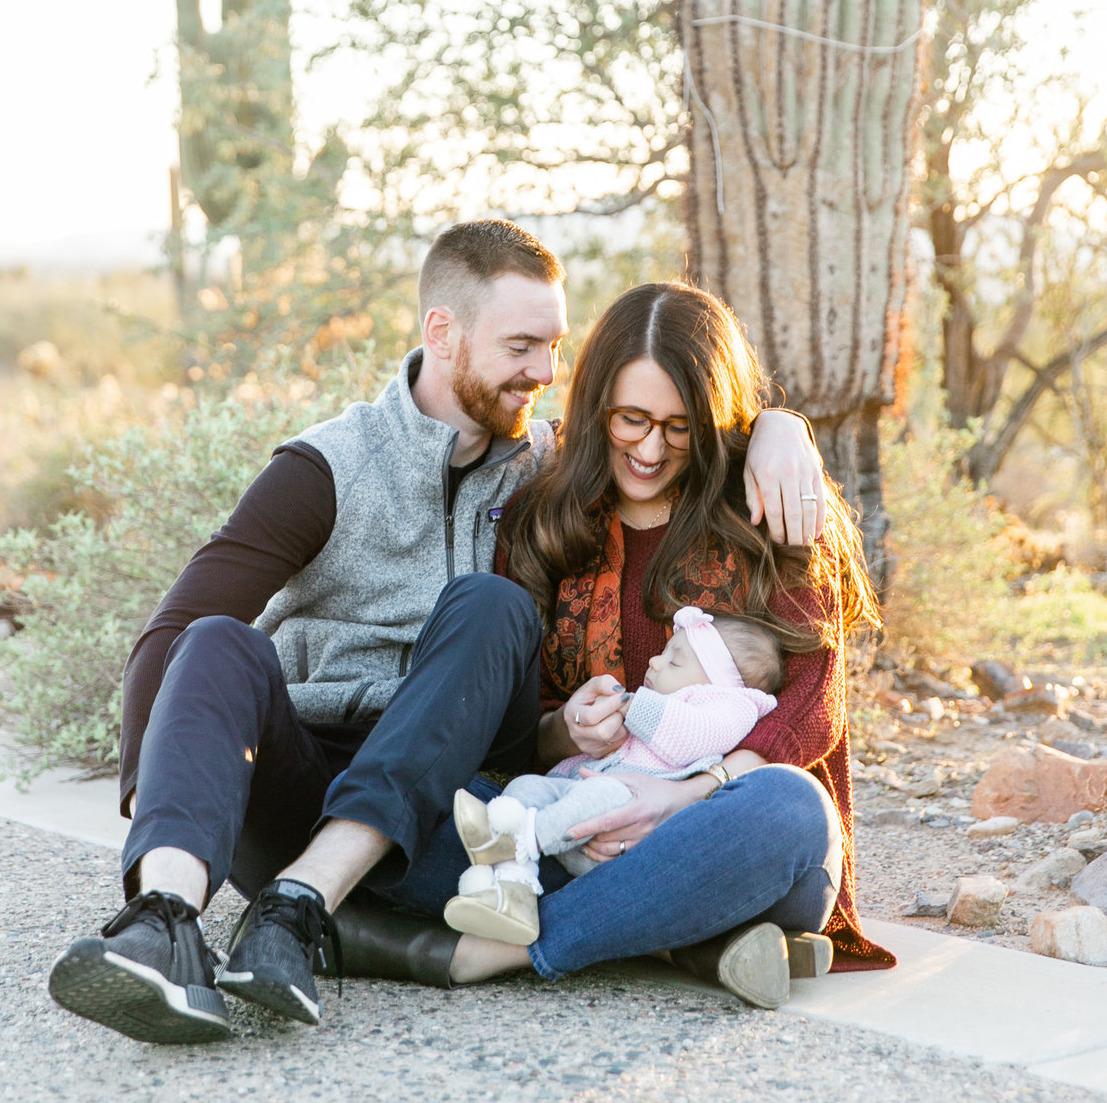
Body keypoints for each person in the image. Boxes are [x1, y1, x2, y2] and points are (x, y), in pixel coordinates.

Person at [46, 222, 826, 1044]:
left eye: (554, 347)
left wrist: (782, 423)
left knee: (493, 609)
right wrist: (160, 797)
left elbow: (689, 415)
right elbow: (167, 635)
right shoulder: (326, 469)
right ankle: (162, 919)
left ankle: (344, 924)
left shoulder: (545, 471)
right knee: (213, 641)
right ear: (441, 333)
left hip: (444, 809)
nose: (544, 373)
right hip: (305, 787)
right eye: (522, 345)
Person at [371, 280, 892, 1011]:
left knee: (792, 810)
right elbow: (521, 727)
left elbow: (814, 705)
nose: (651, 449)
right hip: (575, 828)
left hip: (722, 832)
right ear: (595, 409)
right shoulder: (541, 516)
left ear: (715, 420)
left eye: (680, 428)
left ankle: (504, 949)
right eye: (631, 420)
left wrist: (679, 799)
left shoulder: (771, 498)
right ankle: (682, 934)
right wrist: (564, 728)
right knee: (429, 812)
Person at [442, 607, 783, 944]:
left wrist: (630, 706)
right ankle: (512, 889)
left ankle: (515, 839)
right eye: (663, 653)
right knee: (526, 786)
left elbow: (693, 734)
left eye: (674, 661)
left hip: (626, 827)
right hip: (576, 824)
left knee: (607, 792)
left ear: (720, 684)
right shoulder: (661, 703)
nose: (654, 662)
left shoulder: (731, 706)